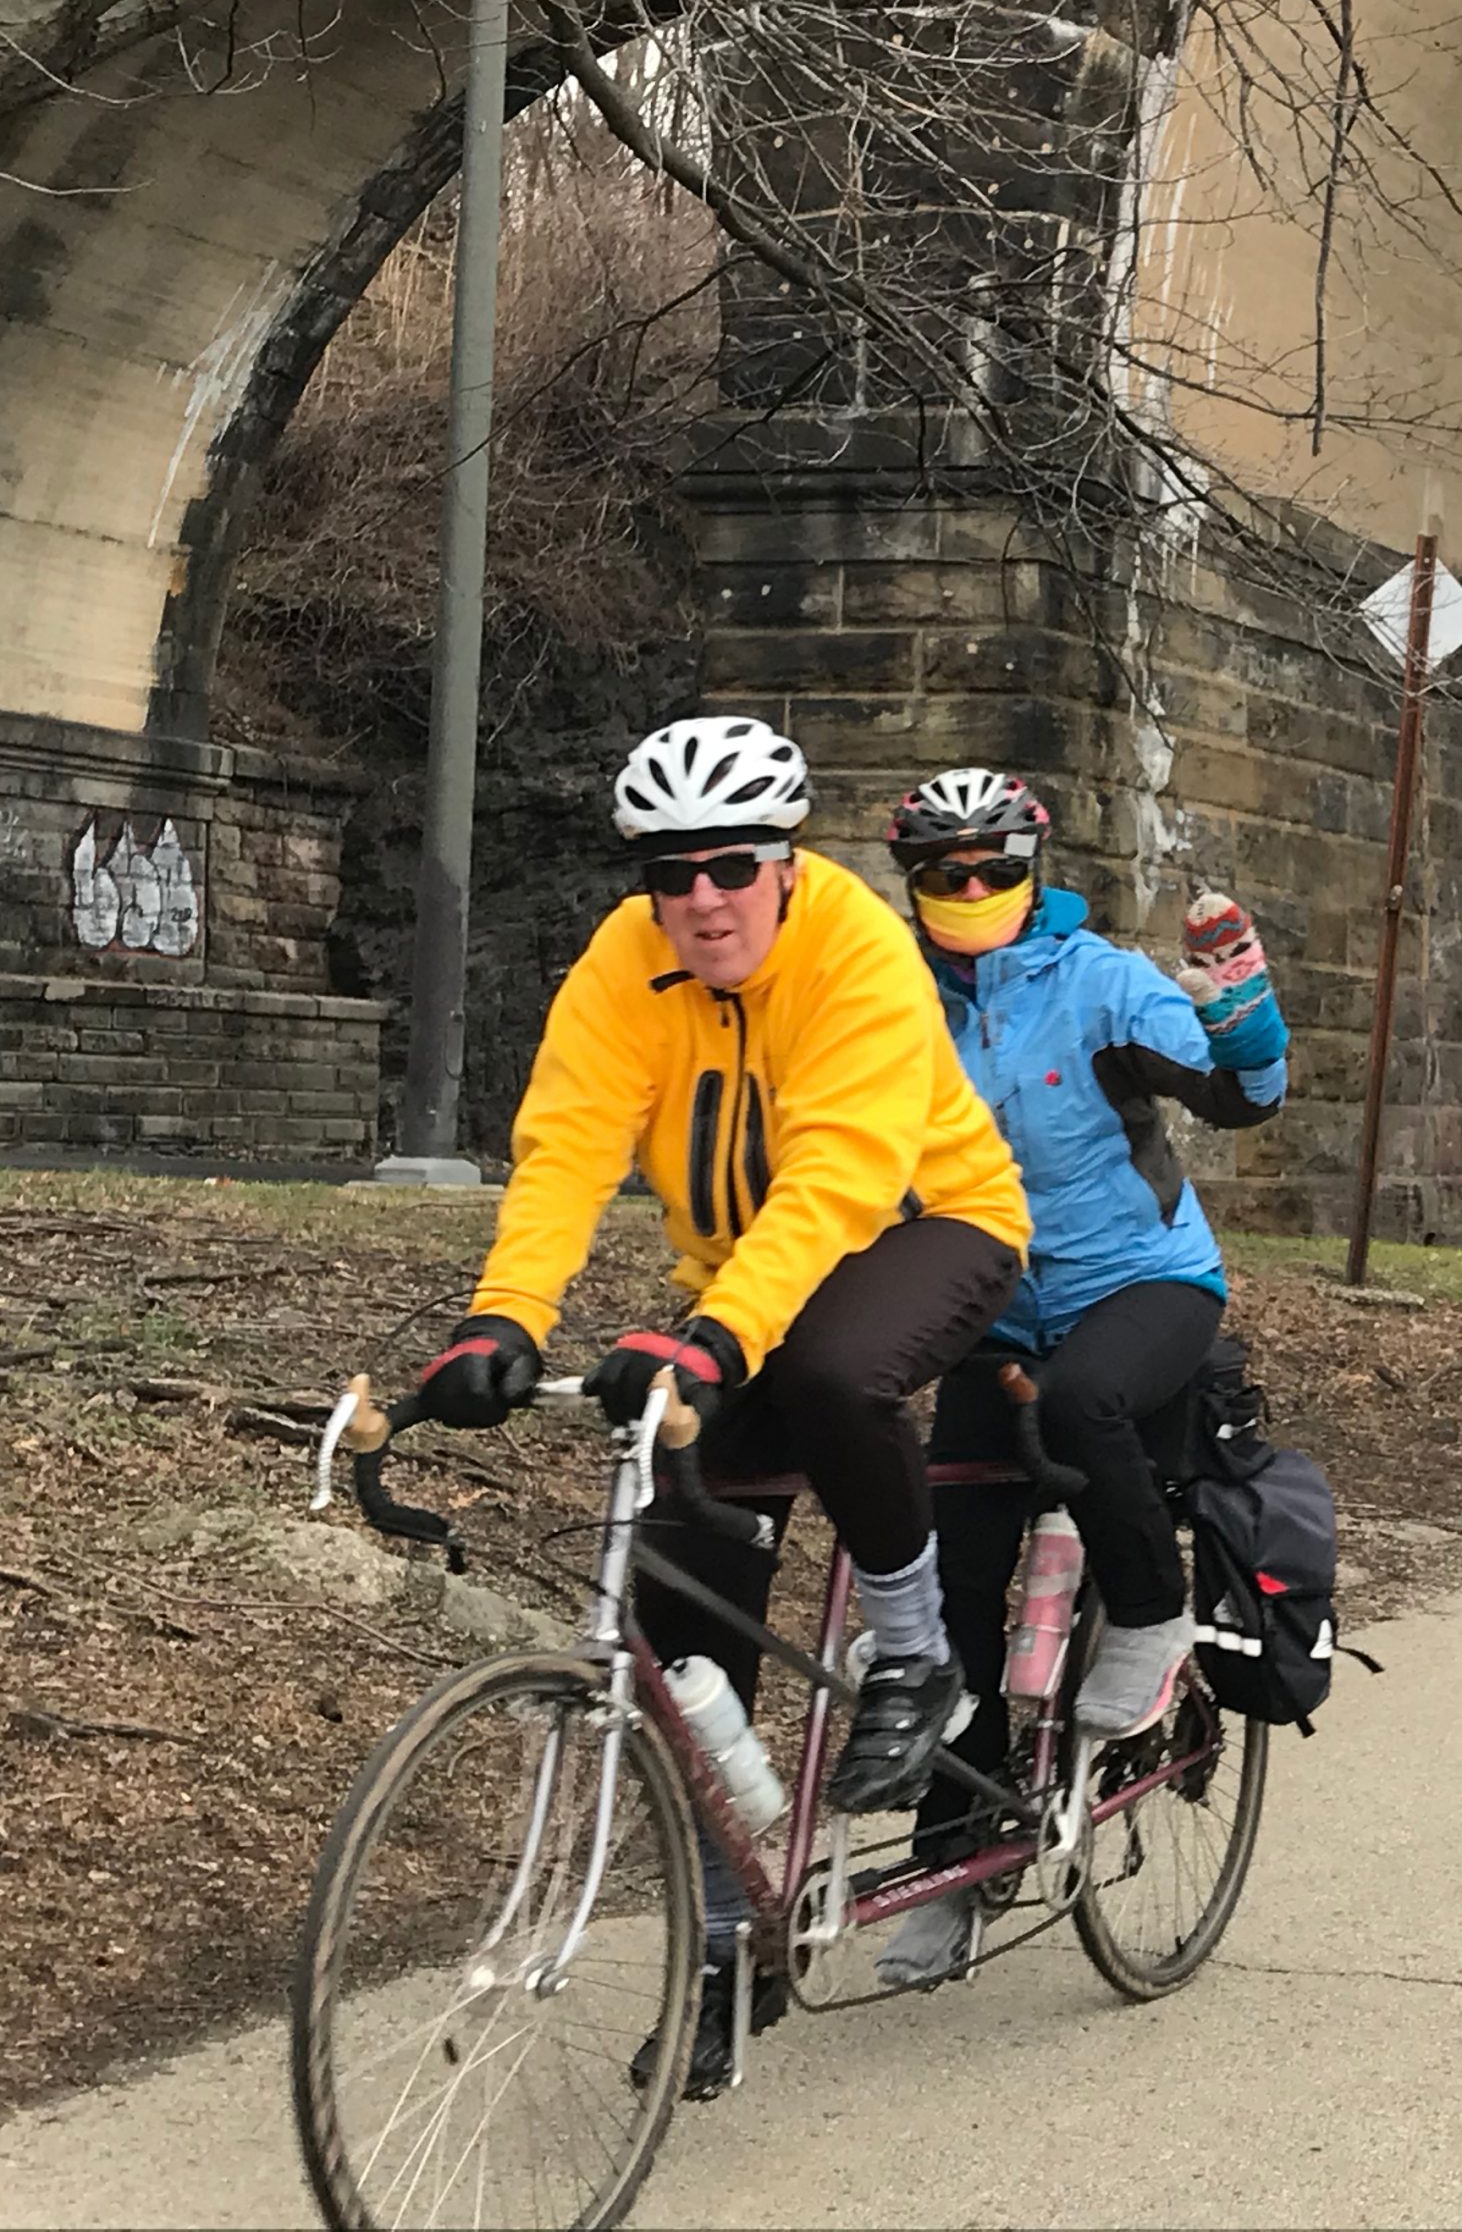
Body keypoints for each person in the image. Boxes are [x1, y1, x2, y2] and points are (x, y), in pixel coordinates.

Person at [406, 714, 1031, 2086]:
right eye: (668, 873)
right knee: (682, 1641)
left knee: (825, 1372)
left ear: (786, 864)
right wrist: (501, 1319)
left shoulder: (859, 950)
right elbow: (567, 1145)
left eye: (732, 864)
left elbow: (840, 1178)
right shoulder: (627, 967)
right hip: (735, 1279)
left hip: (922, 1227)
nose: (700, 899)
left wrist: (715, 1338)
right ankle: (727, 1947)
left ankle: (918, 1654)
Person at [872, 765, 1291, 1988]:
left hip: (1140, 1283)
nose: (969, 890)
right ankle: (954, 1865)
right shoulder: (897, 1005)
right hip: (989, 1305)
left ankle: (1152, 1618)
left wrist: (1241, 1020)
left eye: (994, 869)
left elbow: (1237, 1097)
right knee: (948, 1585)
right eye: (942, 875)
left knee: (1082, 1403)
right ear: (913, 885)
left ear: (1032, 868)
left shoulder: (1100, 981)